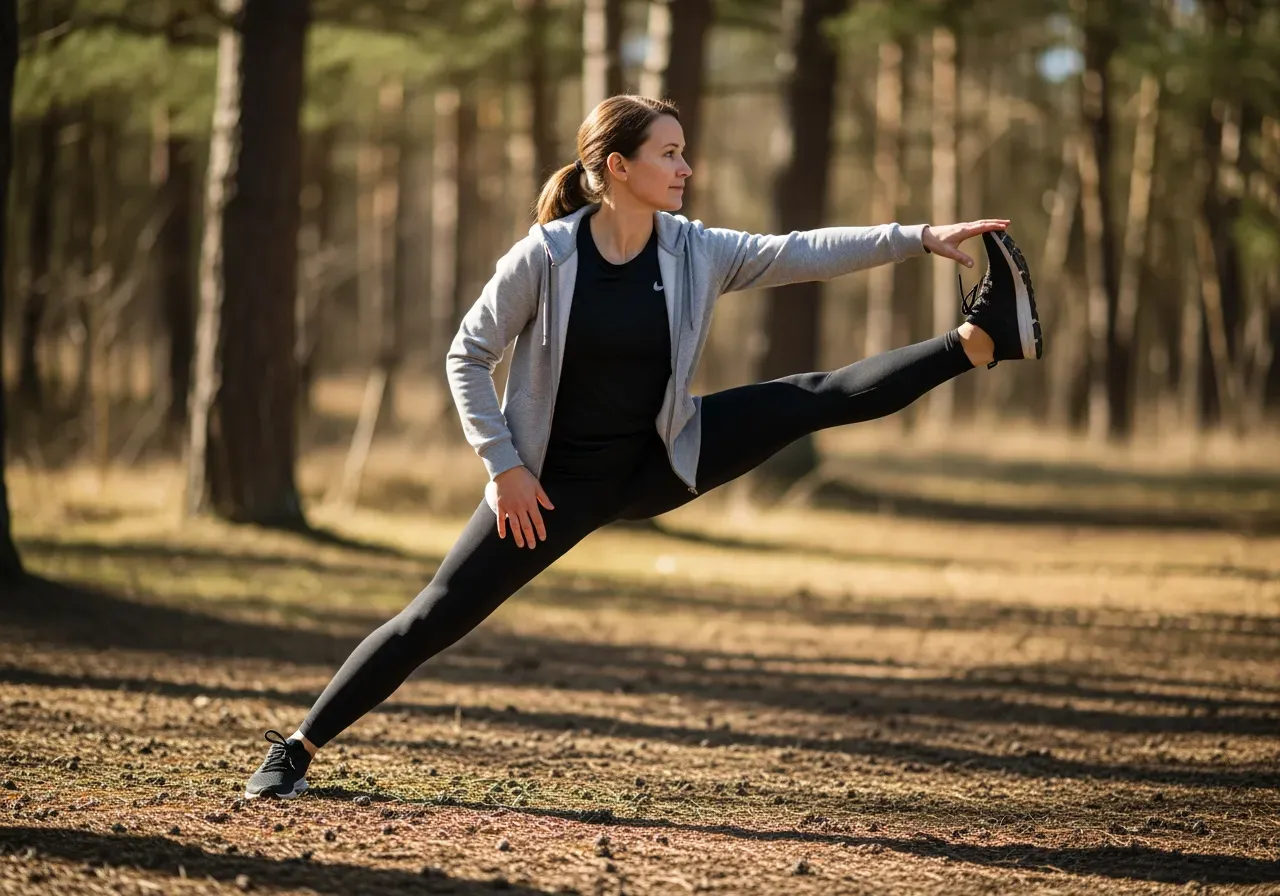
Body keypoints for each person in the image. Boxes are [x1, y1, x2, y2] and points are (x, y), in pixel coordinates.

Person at [244, 95, 1041, 799]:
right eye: (670, 153)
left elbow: (799, 251)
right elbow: (467, 355)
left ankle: (977, 342)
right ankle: (295, 748)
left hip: (664, 460)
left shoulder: (692, 249)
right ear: (617, 167)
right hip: (548, 491)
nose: (686, 167)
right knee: (433, 618)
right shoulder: (547, 257)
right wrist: (506, 469)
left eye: (684, 151)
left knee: (807, 398)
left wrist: (921, 236)